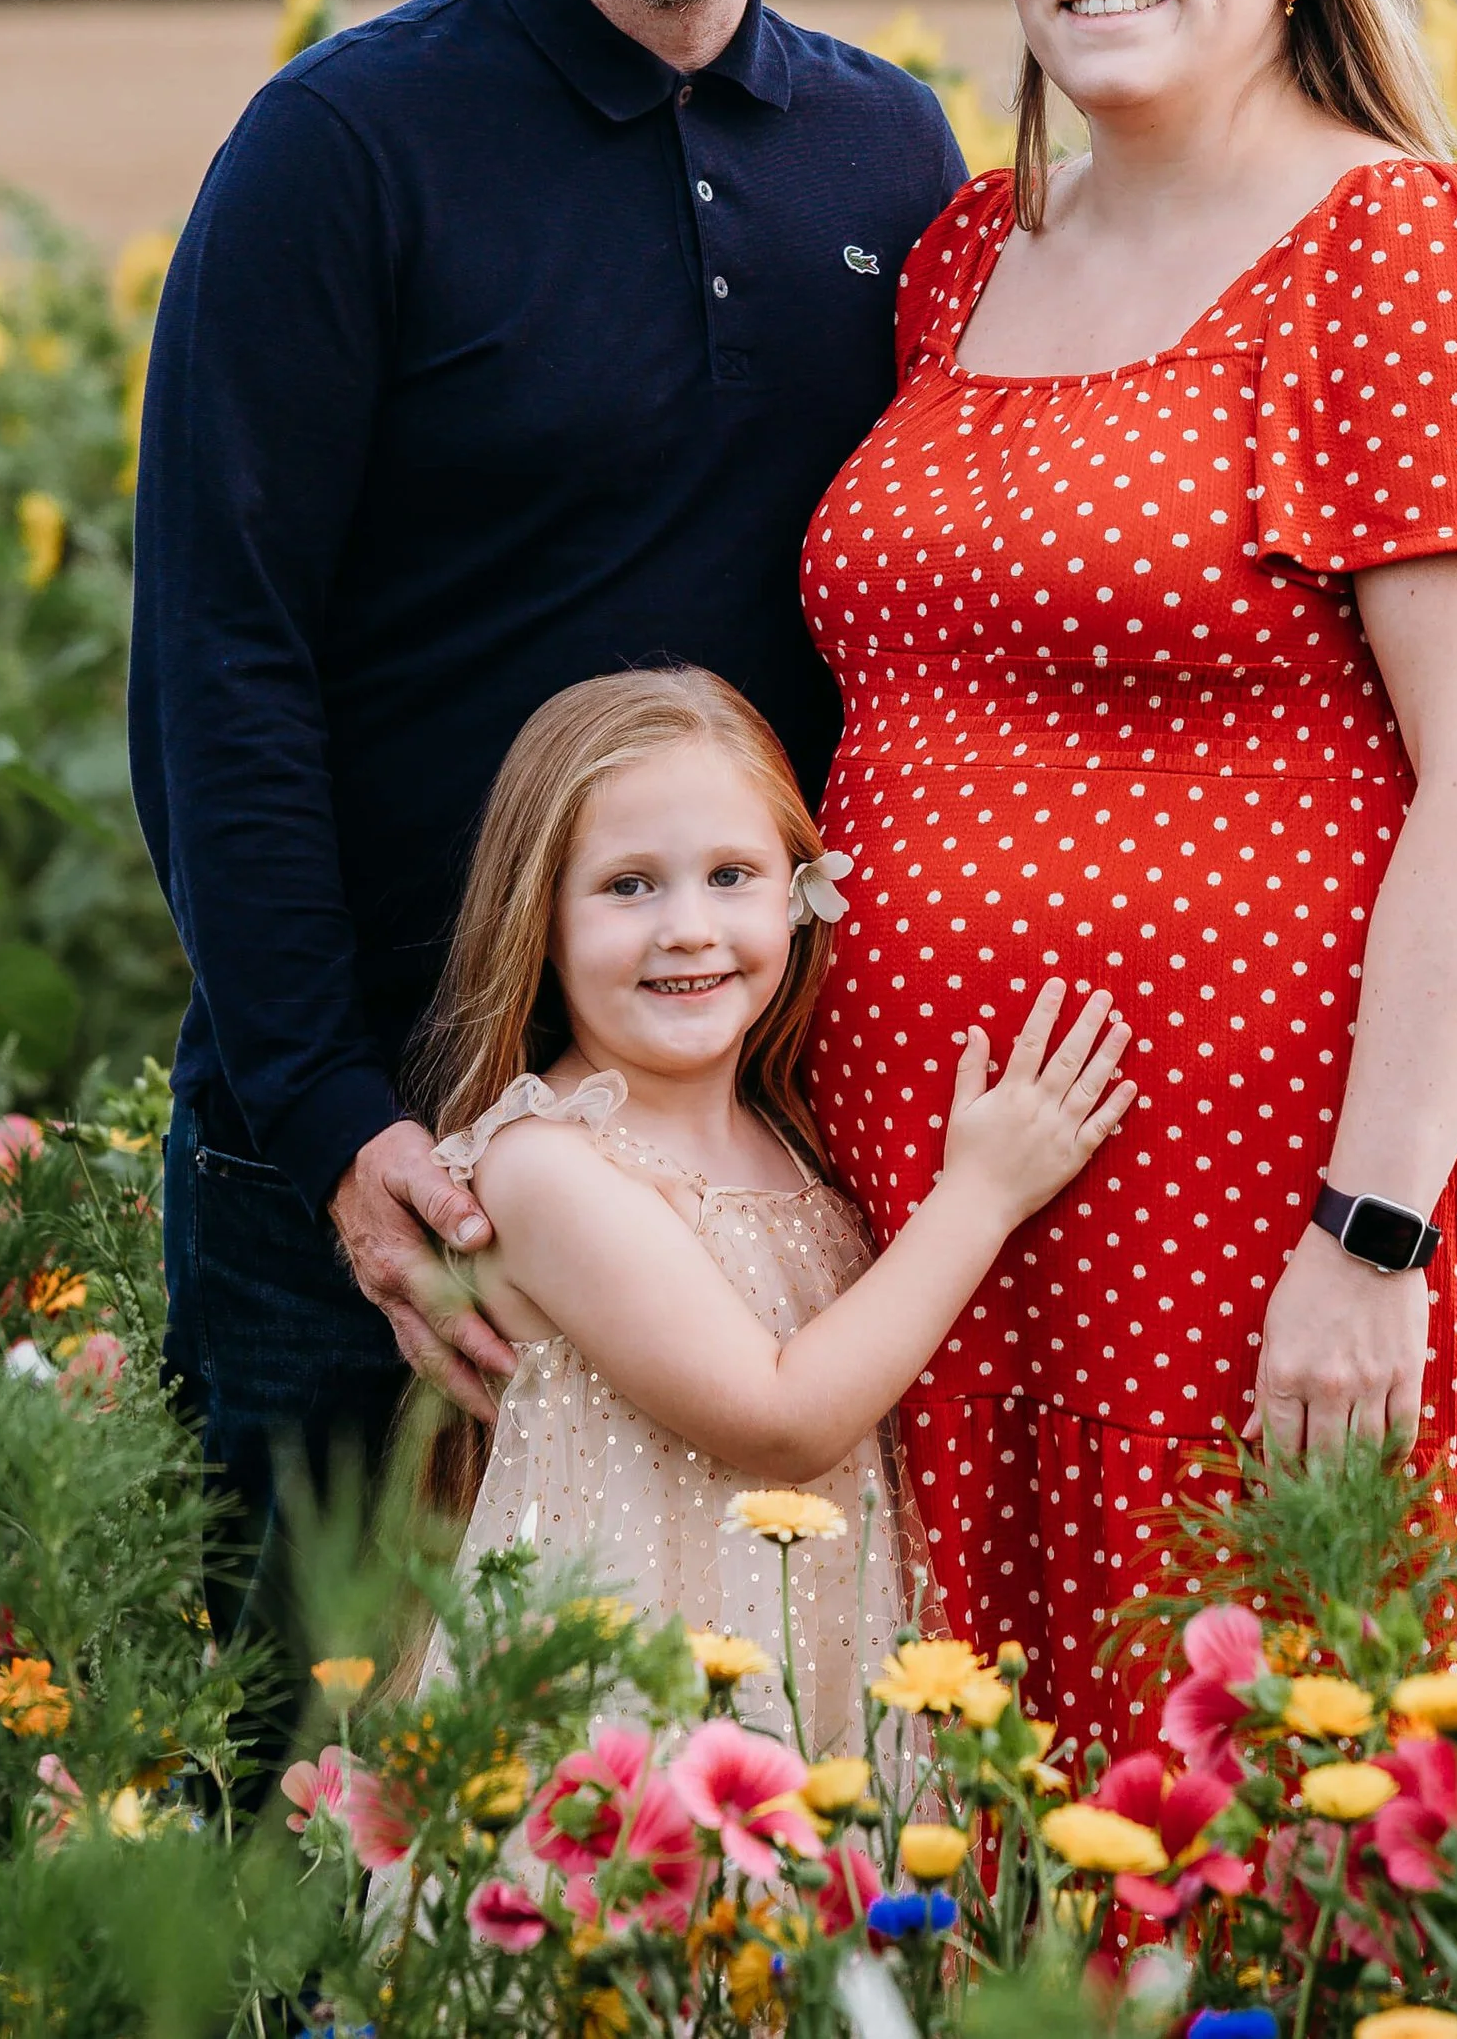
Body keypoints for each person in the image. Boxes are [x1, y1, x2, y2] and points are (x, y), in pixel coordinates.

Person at [130, 0, 965, 1705]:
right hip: (364, 1157)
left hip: (720, 1156)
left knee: (703, 1780)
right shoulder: (345, 146)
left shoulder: (898, 166)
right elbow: (218, 657)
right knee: (295, 1787)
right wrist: (337, 1126)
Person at [799, 0, 1457, 1763]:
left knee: (1277, 1752)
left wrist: (1373, 1232)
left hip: (1270, 1177)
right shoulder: (967, 252)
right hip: (950, 1183)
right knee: (989, 1797)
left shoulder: (1402, 250)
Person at [397, 667, 1133, 1749]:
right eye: (628, 885)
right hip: (632, 1710)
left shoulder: (785, 1131)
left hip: (804, 1672)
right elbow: (781, 1419)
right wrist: (982, 1193)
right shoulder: (546, 1163)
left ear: (800, 890)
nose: (688, 927)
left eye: (731, 874)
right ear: (538, 914)